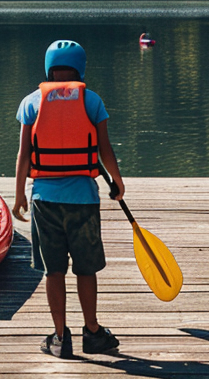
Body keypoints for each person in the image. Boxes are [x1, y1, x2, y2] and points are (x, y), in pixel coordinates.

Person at [12, 39, 125, 358]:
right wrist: (117, 182)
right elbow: (105, 149)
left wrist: (20, 193)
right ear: (81, 67)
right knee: (85, 270)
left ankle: (61, 338)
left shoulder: (31, 103)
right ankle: (92, 332)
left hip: (44, 201)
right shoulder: (92, 101)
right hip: (84, 202)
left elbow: (24, 155)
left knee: (54, 271)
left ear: (48, 67)